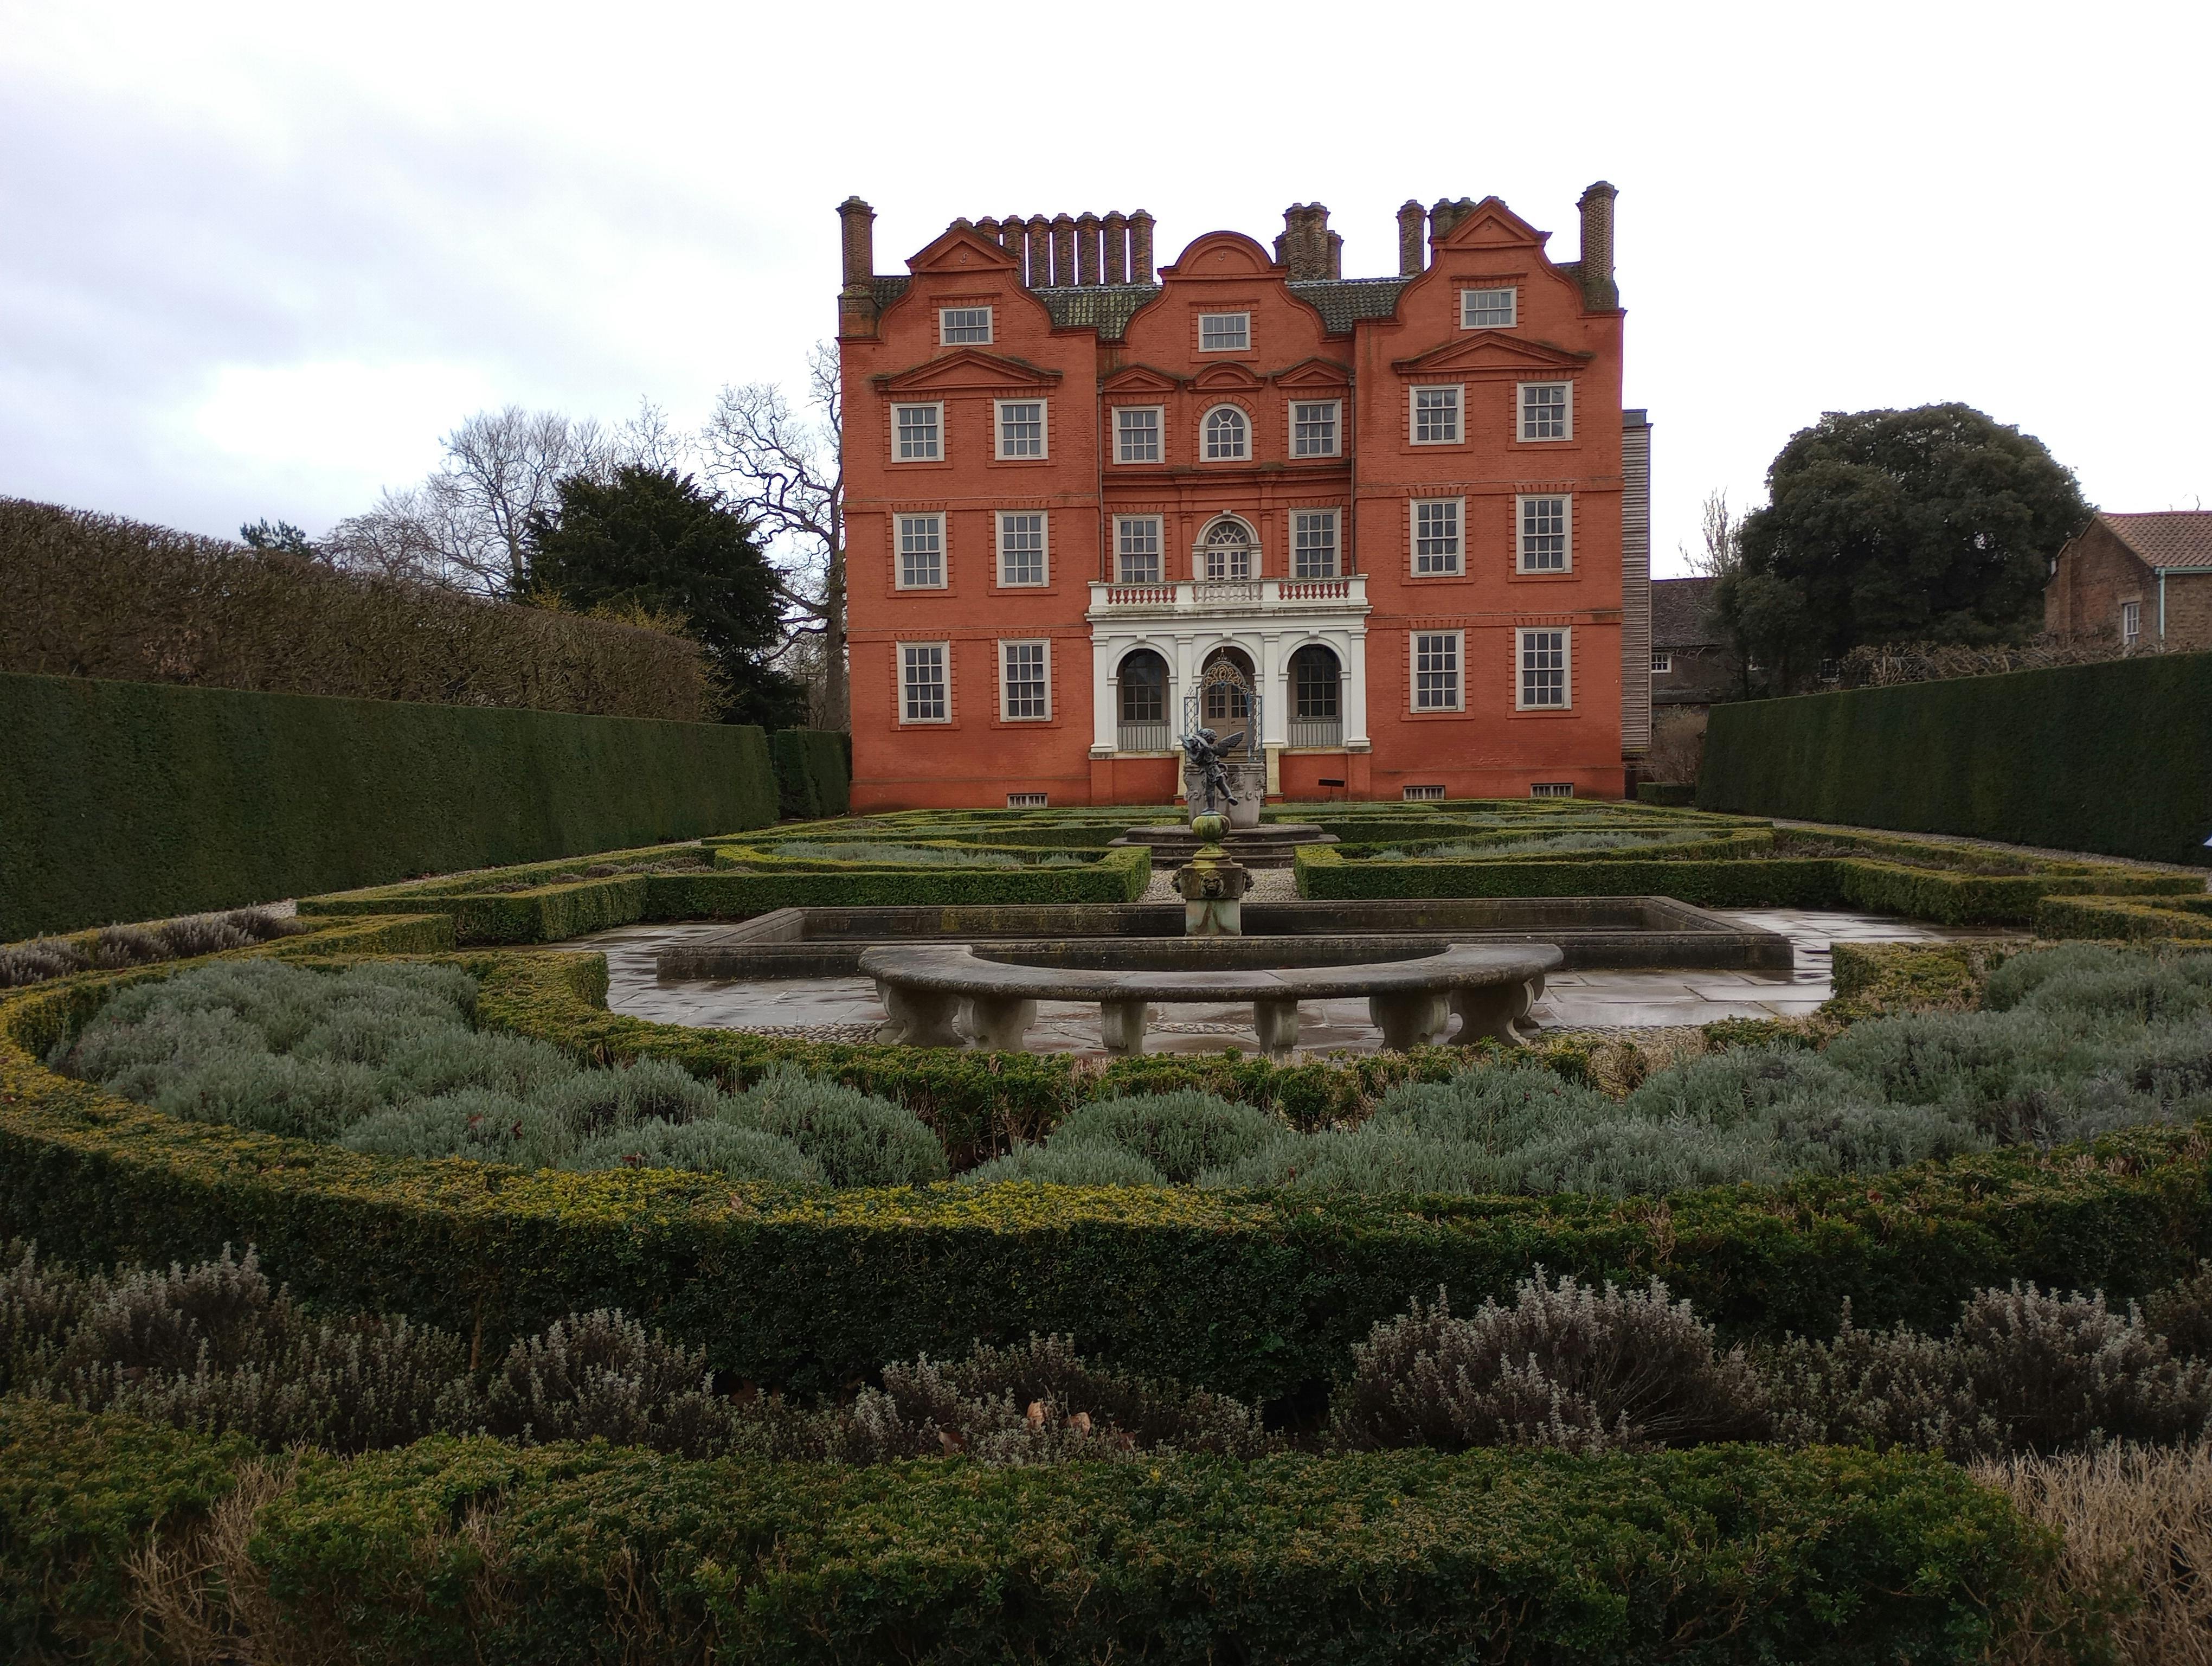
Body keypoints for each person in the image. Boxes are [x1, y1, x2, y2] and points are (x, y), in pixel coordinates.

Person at [1181, 727, 1244, 816]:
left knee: (1209, 790)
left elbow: (1196, 760)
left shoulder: (1204, 750)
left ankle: (1211, 808)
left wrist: (1197, 752)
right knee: (1222, 786)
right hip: (1217, 769)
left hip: (1210, 771)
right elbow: (1215, 759)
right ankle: (1230, 797)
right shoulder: (1211, 749)